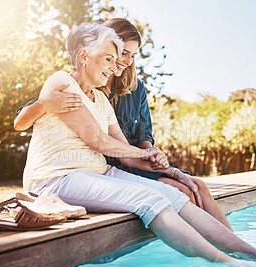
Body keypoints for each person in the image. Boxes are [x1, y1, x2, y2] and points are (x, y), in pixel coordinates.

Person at [22, 22, 256, 265]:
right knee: (148, 198)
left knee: (171, 194)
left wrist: (159, 163)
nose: (115, 68)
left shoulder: (100, 100)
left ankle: (255, 255)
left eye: (118, 59)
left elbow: (124, 151)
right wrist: (142, 154)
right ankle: (231, 265)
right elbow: (101, 142)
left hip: (96, 173)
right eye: (109, 59)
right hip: (56, 179)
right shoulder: (62, 82)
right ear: (83, 56)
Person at [15, 18, 233, 232]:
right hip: (109, 166)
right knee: (182, 193)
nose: (125, 60)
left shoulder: (135, 89)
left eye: (131, 55)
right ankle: (193, 252)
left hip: (133, 162)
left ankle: (231, 245)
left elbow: (143, 135)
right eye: (121, 53)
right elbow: (26, 117)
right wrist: (43, 103)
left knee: (198, 187)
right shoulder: (78, 80)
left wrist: (158, 160)